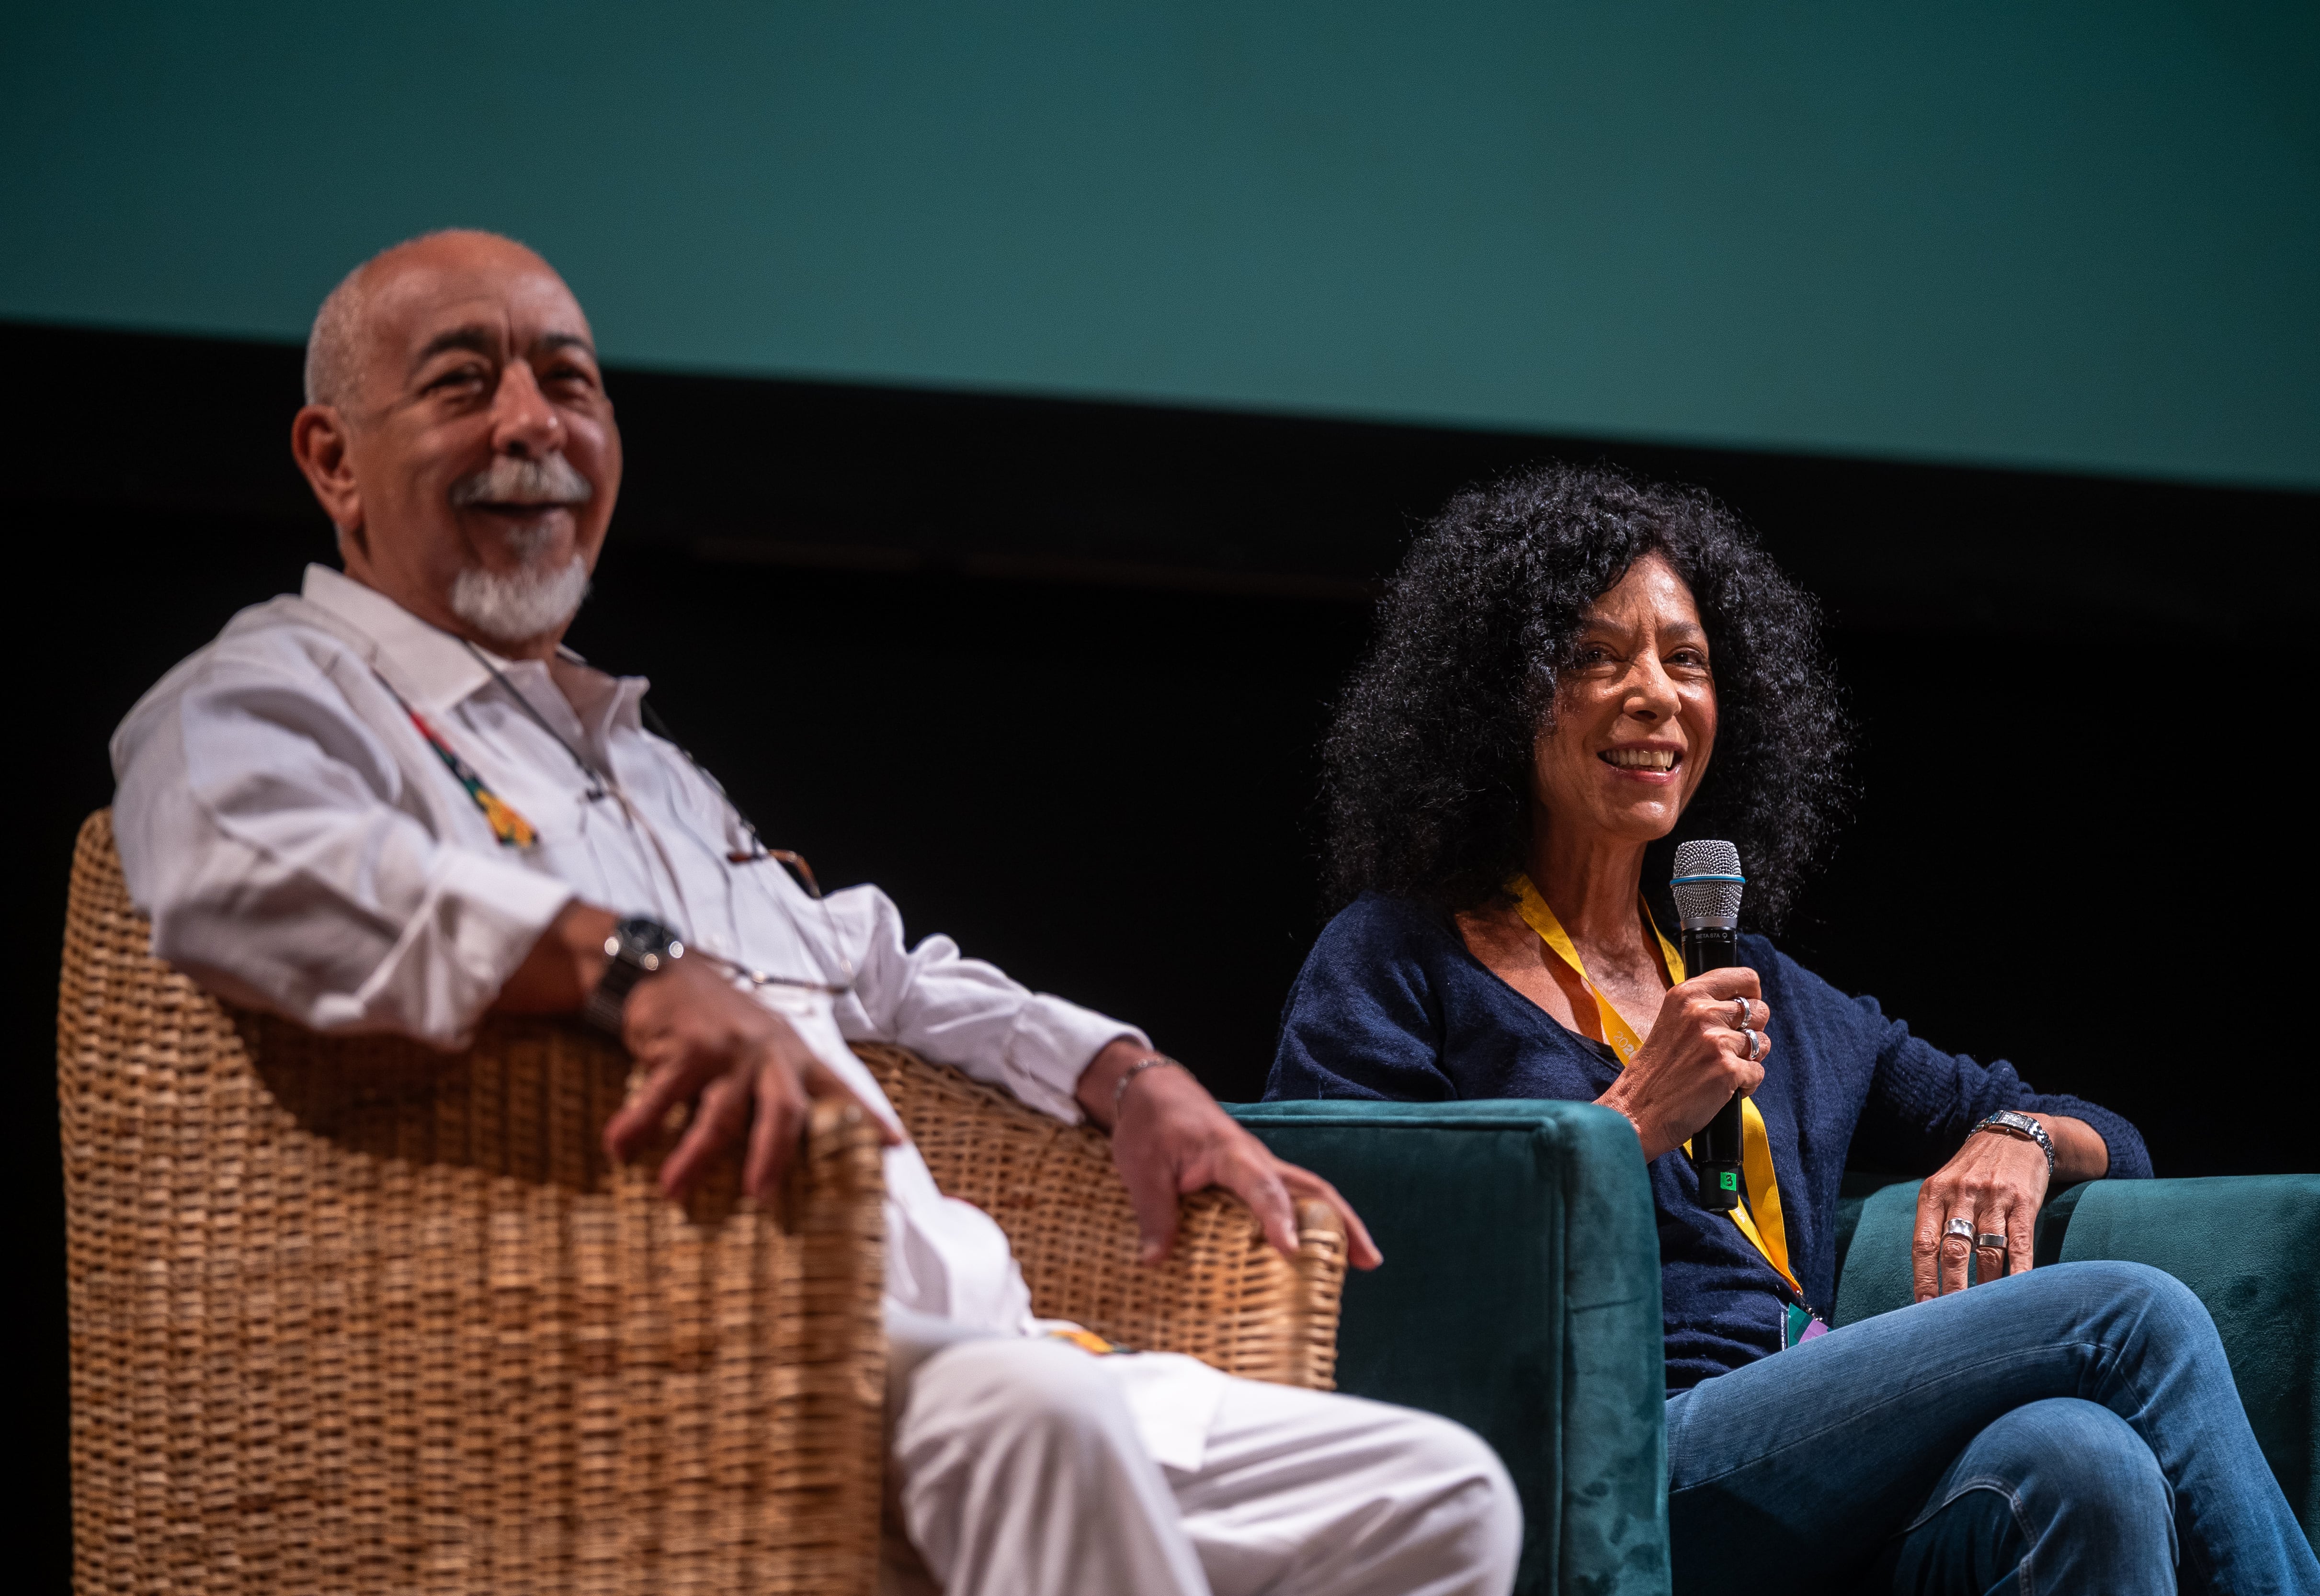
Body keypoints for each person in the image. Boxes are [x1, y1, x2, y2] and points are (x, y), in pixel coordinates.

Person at [110, 229, 1520, 1596]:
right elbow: (241, 867)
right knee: (1053, 1426)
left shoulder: (646, 767)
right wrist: (626, 964)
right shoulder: (276, 690)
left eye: (571, 379)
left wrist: (1126, 1071)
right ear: (334, 457)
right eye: (462, 381)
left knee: (1437, 1494)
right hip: (665, 1352)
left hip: (956, 1342)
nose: (532, 422)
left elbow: (874, 964)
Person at [1267, 464, 2320, 1595]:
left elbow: (2107, 1132)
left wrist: (2018, 1130)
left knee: (2084, 1460)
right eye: (1592, 656)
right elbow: (1332, 1262)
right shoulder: (1397, 957)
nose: (1655, 695)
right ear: (1494, 696)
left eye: (1687, 661)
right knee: (2131, 1313)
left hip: (1798, 1450)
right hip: (1573, 1456)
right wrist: (1626, 1123)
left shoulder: (1758, 983)